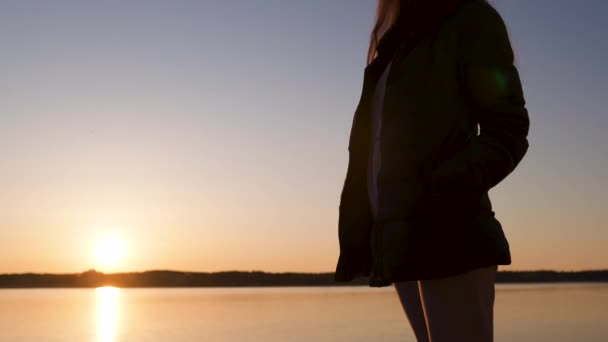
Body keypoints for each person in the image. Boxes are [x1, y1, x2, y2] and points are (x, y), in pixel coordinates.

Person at [333, 0, 530, 341]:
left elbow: (507, 132)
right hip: (399, 240)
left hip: (450, 234)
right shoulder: (394, 47)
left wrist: (441, 190)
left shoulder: (470, 21)